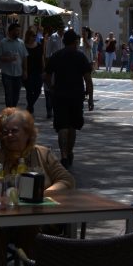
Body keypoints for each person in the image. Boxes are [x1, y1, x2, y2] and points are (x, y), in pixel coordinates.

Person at [0, 107, 74, 197]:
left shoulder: (44, 154)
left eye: (14, 131)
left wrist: (43, 194)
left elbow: (66, 180)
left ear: (28, 133)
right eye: (5, 132)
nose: (9, 135)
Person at [45, 29, 90, 167]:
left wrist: (51, 87)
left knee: (62, 126)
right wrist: (91, 98)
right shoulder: (81, 57)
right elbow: (88, 79)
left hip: (59, 95)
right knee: (72, 126)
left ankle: (63, 154)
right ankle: (69, 152)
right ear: (75, 42)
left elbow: (46, 74)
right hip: (76, 95)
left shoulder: (56, 56)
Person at [0, 20, 27, 107]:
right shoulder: (3, 42)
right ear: (11, 31)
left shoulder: (21, 43)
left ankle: (13, 109)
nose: (18, 32)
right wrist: (8, 59)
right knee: (8, 94)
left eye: (19, 30)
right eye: (16, 30)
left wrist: (25, 71)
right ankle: (9, 111)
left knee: (16, 95)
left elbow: (25, 57)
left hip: (18, 73)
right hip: (7, 73)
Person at [23, 28, 45, 116]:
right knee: (29, 90)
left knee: (38, 90)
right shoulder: (24, 46)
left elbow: (42, 58)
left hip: (38, 71)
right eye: (32, 36)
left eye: (34, 36)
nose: (33, 38)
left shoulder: (39, 46)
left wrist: (44, 69)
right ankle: (30, 107)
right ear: (27, 36)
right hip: (28, 71)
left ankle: (30, 105)